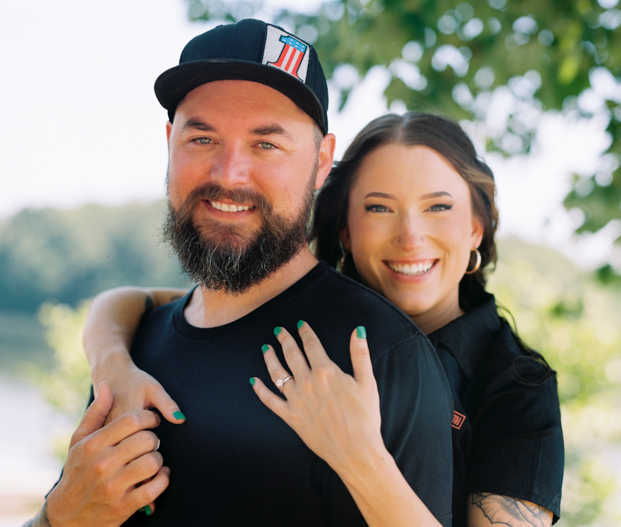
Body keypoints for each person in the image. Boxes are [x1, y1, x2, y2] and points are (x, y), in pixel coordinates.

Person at [23, 20, 455, 527]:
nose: (228, 175)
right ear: (169, 143)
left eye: (266, 144)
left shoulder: (381, 357)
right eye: (202, 138)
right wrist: (56, 518)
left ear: (321, 162)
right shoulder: (130, 358)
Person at [80, 113, 565, 526]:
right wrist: (112, 367)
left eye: (438, 207)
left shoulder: (517, 386)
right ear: (345, 230)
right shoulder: (305, 316)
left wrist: (360, 457)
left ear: (476, 227)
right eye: (379, 208)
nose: (411, 236)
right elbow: (139, 302)